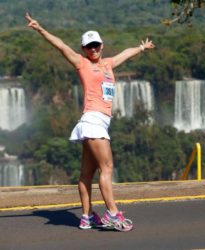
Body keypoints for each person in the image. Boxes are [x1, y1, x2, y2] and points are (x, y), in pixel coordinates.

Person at [25, 12, 155, 231]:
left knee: (87, 174)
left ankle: (86, 217)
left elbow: (126, 53)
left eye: (96, 45)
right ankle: (113, 214)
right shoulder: (82, 63)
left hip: (96, 123)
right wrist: (40, 29)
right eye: (89, 47)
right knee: (107, 168)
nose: (93, 49)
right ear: (84, 49)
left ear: (101, 46)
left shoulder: (108, 64)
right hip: (93, 121)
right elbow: (61, 46)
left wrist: (141, 48)